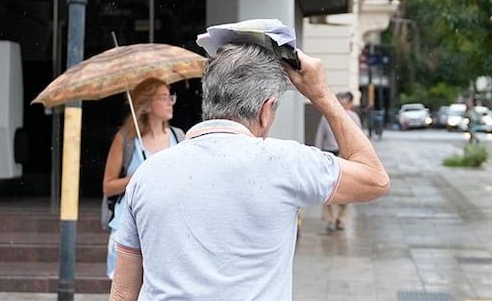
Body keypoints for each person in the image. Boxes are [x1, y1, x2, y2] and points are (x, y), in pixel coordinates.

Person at [109, 43, 389, 300]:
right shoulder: (286, 162)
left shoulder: (147, 174)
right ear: (266, 110)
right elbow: (374, 178)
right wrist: (321, 95)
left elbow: (123, 292)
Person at [102, 77, 184, 279]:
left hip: (170, 224)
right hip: (130, 226)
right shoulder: (126, 140)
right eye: (163, 97)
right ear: (146, 105)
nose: (169, 102)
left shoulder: (180, 137)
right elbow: (108, 186)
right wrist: (138, 177)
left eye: (170, 97)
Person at [314, 91, 362, 233]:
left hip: (346, 155)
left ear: (350, 104)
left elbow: (360, 137)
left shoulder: (353, 117)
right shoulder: (326, 116)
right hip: (330, 153)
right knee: (328, 188)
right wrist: (317, 154)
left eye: (344, 102)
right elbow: (319, 136)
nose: (341, 105)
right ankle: (330, 220)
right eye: (339, 101)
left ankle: (341, 219)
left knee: (346, 189)